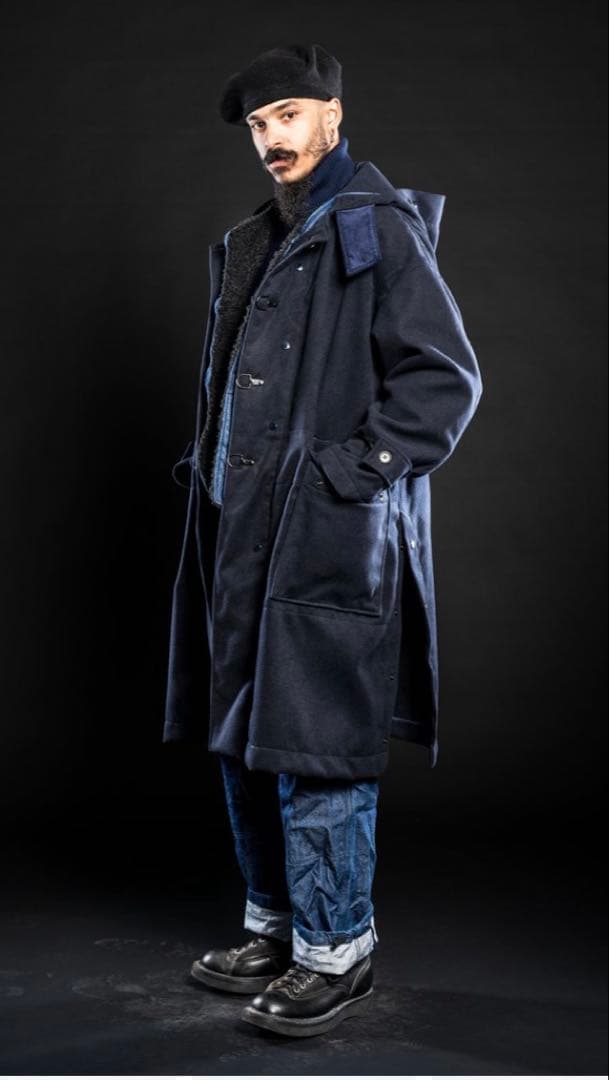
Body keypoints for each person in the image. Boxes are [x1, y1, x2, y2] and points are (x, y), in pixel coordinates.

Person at [163, 43, 483, 1037]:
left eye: (289, 116)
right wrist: (209, 468)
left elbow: (443, 379)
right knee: (242, 736)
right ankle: (273, 928)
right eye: (260, 125)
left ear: (333, 117)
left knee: (315, 742)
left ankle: (336, 951)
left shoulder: (373, 227)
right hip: (239, 535)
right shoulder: (256, 239)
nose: (272, 138)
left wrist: (354, 474)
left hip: (324, 535)